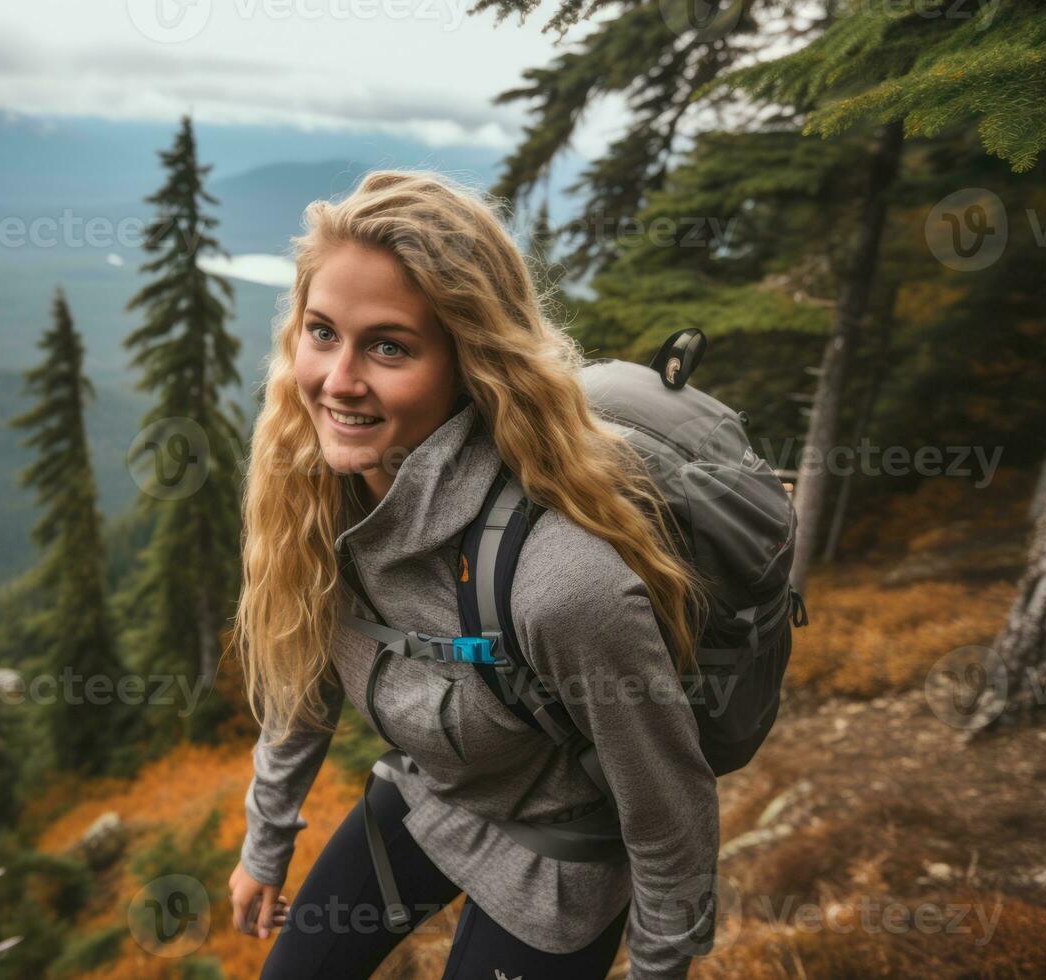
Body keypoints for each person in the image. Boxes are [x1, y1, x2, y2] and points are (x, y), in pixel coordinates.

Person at [227, 169, 720, 979]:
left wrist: (657, 972)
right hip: (434, 793)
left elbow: (671, 816)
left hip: (562, 853)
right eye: (322, 332)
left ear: (470, 361)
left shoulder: (562, 583)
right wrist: (264, 844)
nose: (336, 380)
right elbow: (304, 675)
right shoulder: (318, 496)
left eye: (388, 346)